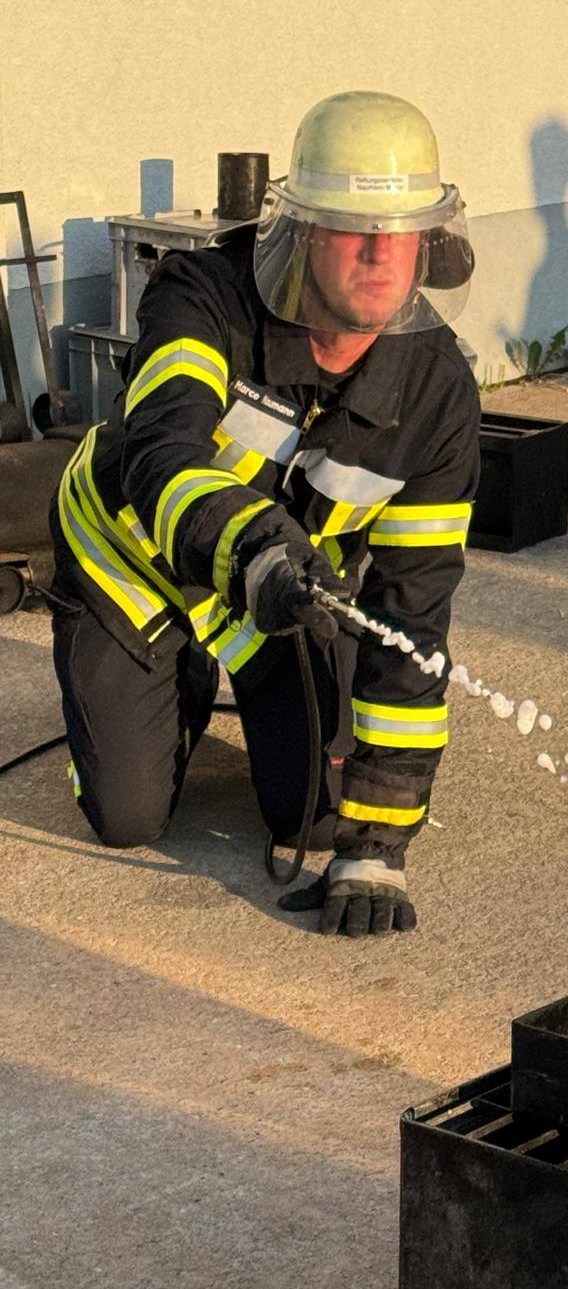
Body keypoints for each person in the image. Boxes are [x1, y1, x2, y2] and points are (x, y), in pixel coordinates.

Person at [47, 90, 480, 936]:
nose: (380, 253)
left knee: (316, 817)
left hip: (277, 595)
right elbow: (162, 457)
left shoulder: (437, 394)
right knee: (128, 816)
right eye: (353, 228)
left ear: (430, 243)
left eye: (402, 231)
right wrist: (252, 547)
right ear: (305, 230)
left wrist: (375, 847)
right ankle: (154, 674)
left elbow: (413, 615)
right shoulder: (202, 296)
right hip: (133, 560)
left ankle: (224, 675)